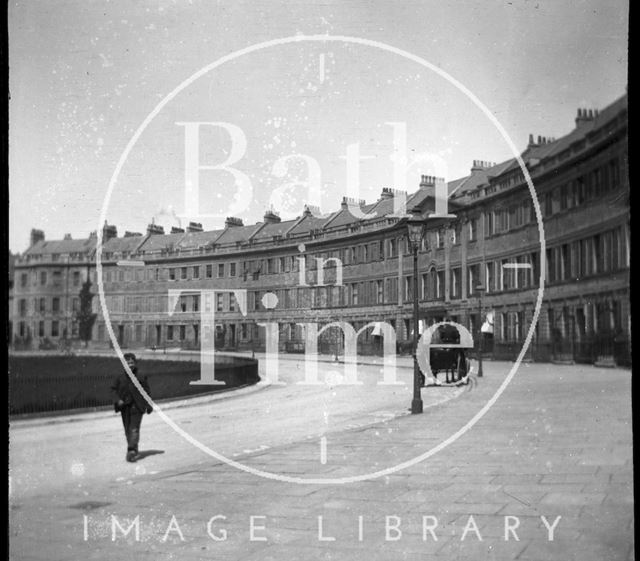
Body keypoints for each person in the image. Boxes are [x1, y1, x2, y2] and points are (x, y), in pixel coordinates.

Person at [111, 353, 153, 462]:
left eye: (132, 362)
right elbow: (113, 390)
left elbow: (146, 392)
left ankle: (131, 451)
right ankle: (134, 448)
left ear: (135, 363)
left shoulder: (140, 376)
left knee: (134, 429)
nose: (130, 364)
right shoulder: (119, 377)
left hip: (137, 406)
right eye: (127, 362)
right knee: (127, 430)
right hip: (125, 407)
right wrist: (117, 400)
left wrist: (148, 405)